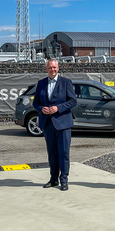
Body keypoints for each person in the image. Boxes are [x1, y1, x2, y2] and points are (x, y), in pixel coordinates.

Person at [33, 59, 76, 191]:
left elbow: (73, 101)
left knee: (63, 153)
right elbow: (36, 102)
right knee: (52, 153)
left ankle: (64, 179)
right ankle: (53, 179)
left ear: (58, 68)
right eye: (50, 68)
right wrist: (41, 109)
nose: (53, 70)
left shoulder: (66, 82)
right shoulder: (41, 83)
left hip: (62, 123)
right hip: (48, 123)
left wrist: (58, 108)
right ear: (46, 69)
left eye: (55, 67)